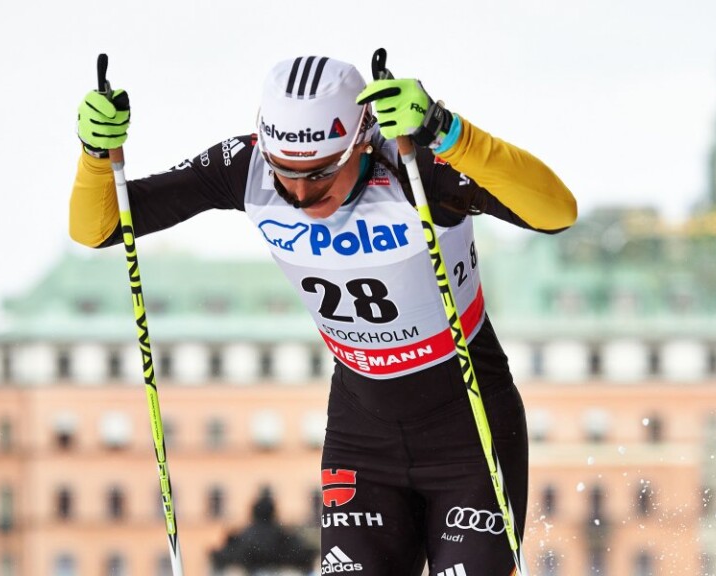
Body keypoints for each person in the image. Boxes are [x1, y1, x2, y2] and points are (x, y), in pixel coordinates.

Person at [70, 54, 577, 575]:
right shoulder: (246, 167)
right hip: (363, 435)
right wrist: (95, 154)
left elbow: (556, 212)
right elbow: (101, 227)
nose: (300, 195)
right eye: (284, 174)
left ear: (362, 141)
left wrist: (448, 132)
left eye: (319, 175)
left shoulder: (417, 167)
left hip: (468, 427)